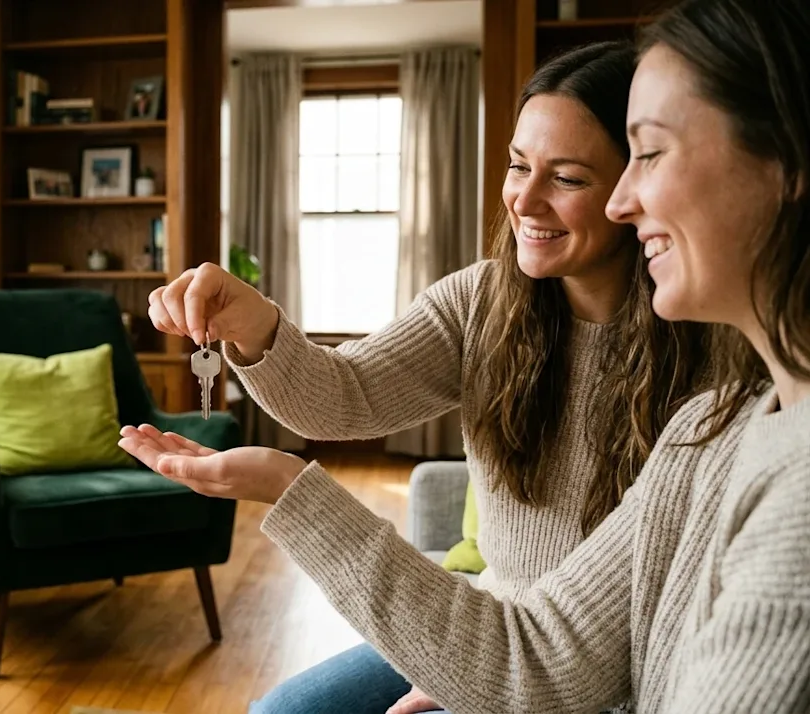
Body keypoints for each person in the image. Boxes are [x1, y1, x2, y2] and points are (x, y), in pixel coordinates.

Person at [120, 0, 810, 712]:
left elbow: (556, 661)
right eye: (517, 166)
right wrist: (257, 324)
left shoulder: (724, 382)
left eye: (570, 178)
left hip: (579, 661)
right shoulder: (486, 303)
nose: (524, 200)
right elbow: (346, 394)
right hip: (505, 631)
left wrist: (469, 674)